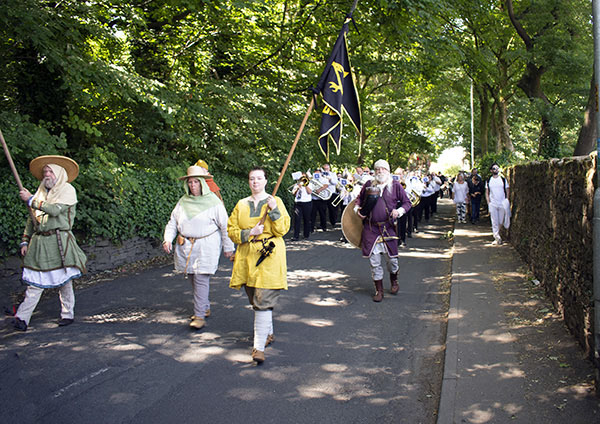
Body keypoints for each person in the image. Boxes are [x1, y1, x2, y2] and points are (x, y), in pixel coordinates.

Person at [12, 155, 87, 331]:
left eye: (50, 171)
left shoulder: (67, 190)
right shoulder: (40, 192)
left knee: (64, 281)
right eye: (45, 171)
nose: (47, 175)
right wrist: (25, 241)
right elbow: (32, 220)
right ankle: (22, 318)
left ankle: (67, 314)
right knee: (35, 282)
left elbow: (53, 210)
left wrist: (31, 200)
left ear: (59, 174)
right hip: (39, 244)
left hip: (60, 242)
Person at [227, 167, 290, 364]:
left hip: (269, 255)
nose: (255, 182)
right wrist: (249, 233)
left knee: (263, 299)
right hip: (247, 256)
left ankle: (258, 347)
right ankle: (268, 333)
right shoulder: (241, 204)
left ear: (265, 181)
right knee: (255, 298)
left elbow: (283, 229)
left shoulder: (275, 201)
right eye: (252, 178)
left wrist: (274, 211)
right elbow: (231, 230)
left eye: (259, 178)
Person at [163, 165, 234, 330]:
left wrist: (228, 246)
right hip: (186, 246)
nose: (193, 185)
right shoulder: (183, 201)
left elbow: (225, 226)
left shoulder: (214, 202)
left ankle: (199, 315)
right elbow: (173, 222)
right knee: (193, 278)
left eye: (196, 181)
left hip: (206, 246)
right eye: (190, 182)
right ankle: (205, 306)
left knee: (201, 279)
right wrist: (167, 239)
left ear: (203, 183)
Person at [354, 160, 411, 302]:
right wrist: (357, 210)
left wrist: (399, 211)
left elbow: (407, 203)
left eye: (383, 169)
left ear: (388, 170)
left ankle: (394, 281)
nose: (380, 171)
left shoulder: (395, 185)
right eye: (377, 169)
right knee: (374, 262)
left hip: (388, 228)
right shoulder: (369, 184)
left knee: (392, 261)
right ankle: (378, 290)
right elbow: (359, 199)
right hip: (370, 228)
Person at [485, 163, 510, 245]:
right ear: (491, 170)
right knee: (494, 221)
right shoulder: (489, 181)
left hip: (502, 203)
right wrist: (489, 202)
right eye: (494, 168)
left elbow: (507, 190)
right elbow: (487, 192)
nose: (496, 169)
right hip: (493, 203)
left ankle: (497, 235)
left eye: (497, 168)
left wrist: (507, 200)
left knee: (500, 221)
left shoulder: (503, 179)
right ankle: (497, 237)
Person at [291, 172, 312, 241]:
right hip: (298, 203)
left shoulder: (309, 184)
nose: (302, 179)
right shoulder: (297, 184)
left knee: (307, 219)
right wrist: (297, 188)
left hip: (307, 203)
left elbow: (309, 192)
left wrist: (305, 185)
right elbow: (293, 193)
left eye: (304, 178)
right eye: (301, 178)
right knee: (297, 219)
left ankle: (306, 235)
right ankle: (296, 236)